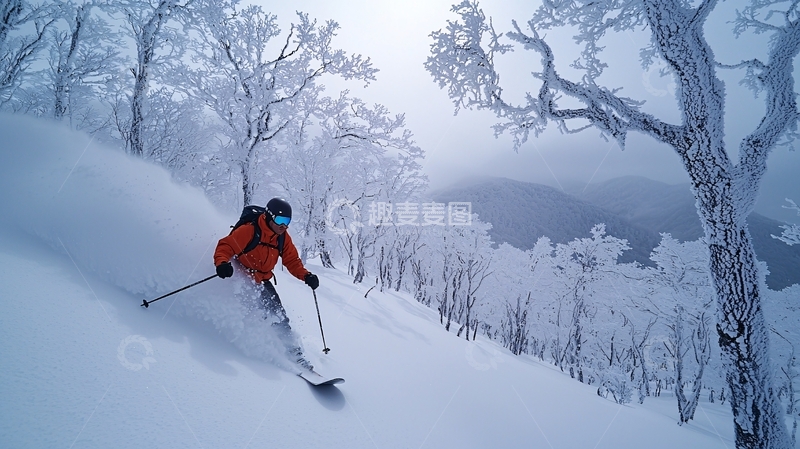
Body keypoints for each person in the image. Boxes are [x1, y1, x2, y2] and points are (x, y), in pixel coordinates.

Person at [213, 197, 320, 371]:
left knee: (278, 315)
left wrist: (306, 276)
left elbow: (292, 261)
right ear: (269, 216)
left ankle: (295, 354)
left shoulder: (282, 238)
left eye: (287, 222)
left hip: (262, 280)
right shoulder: (249, 230)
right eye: (280, 220)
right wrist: (222, 263)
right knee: (251, 311)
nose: (284, 226)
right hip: (241, 275)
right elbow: (226, 246)